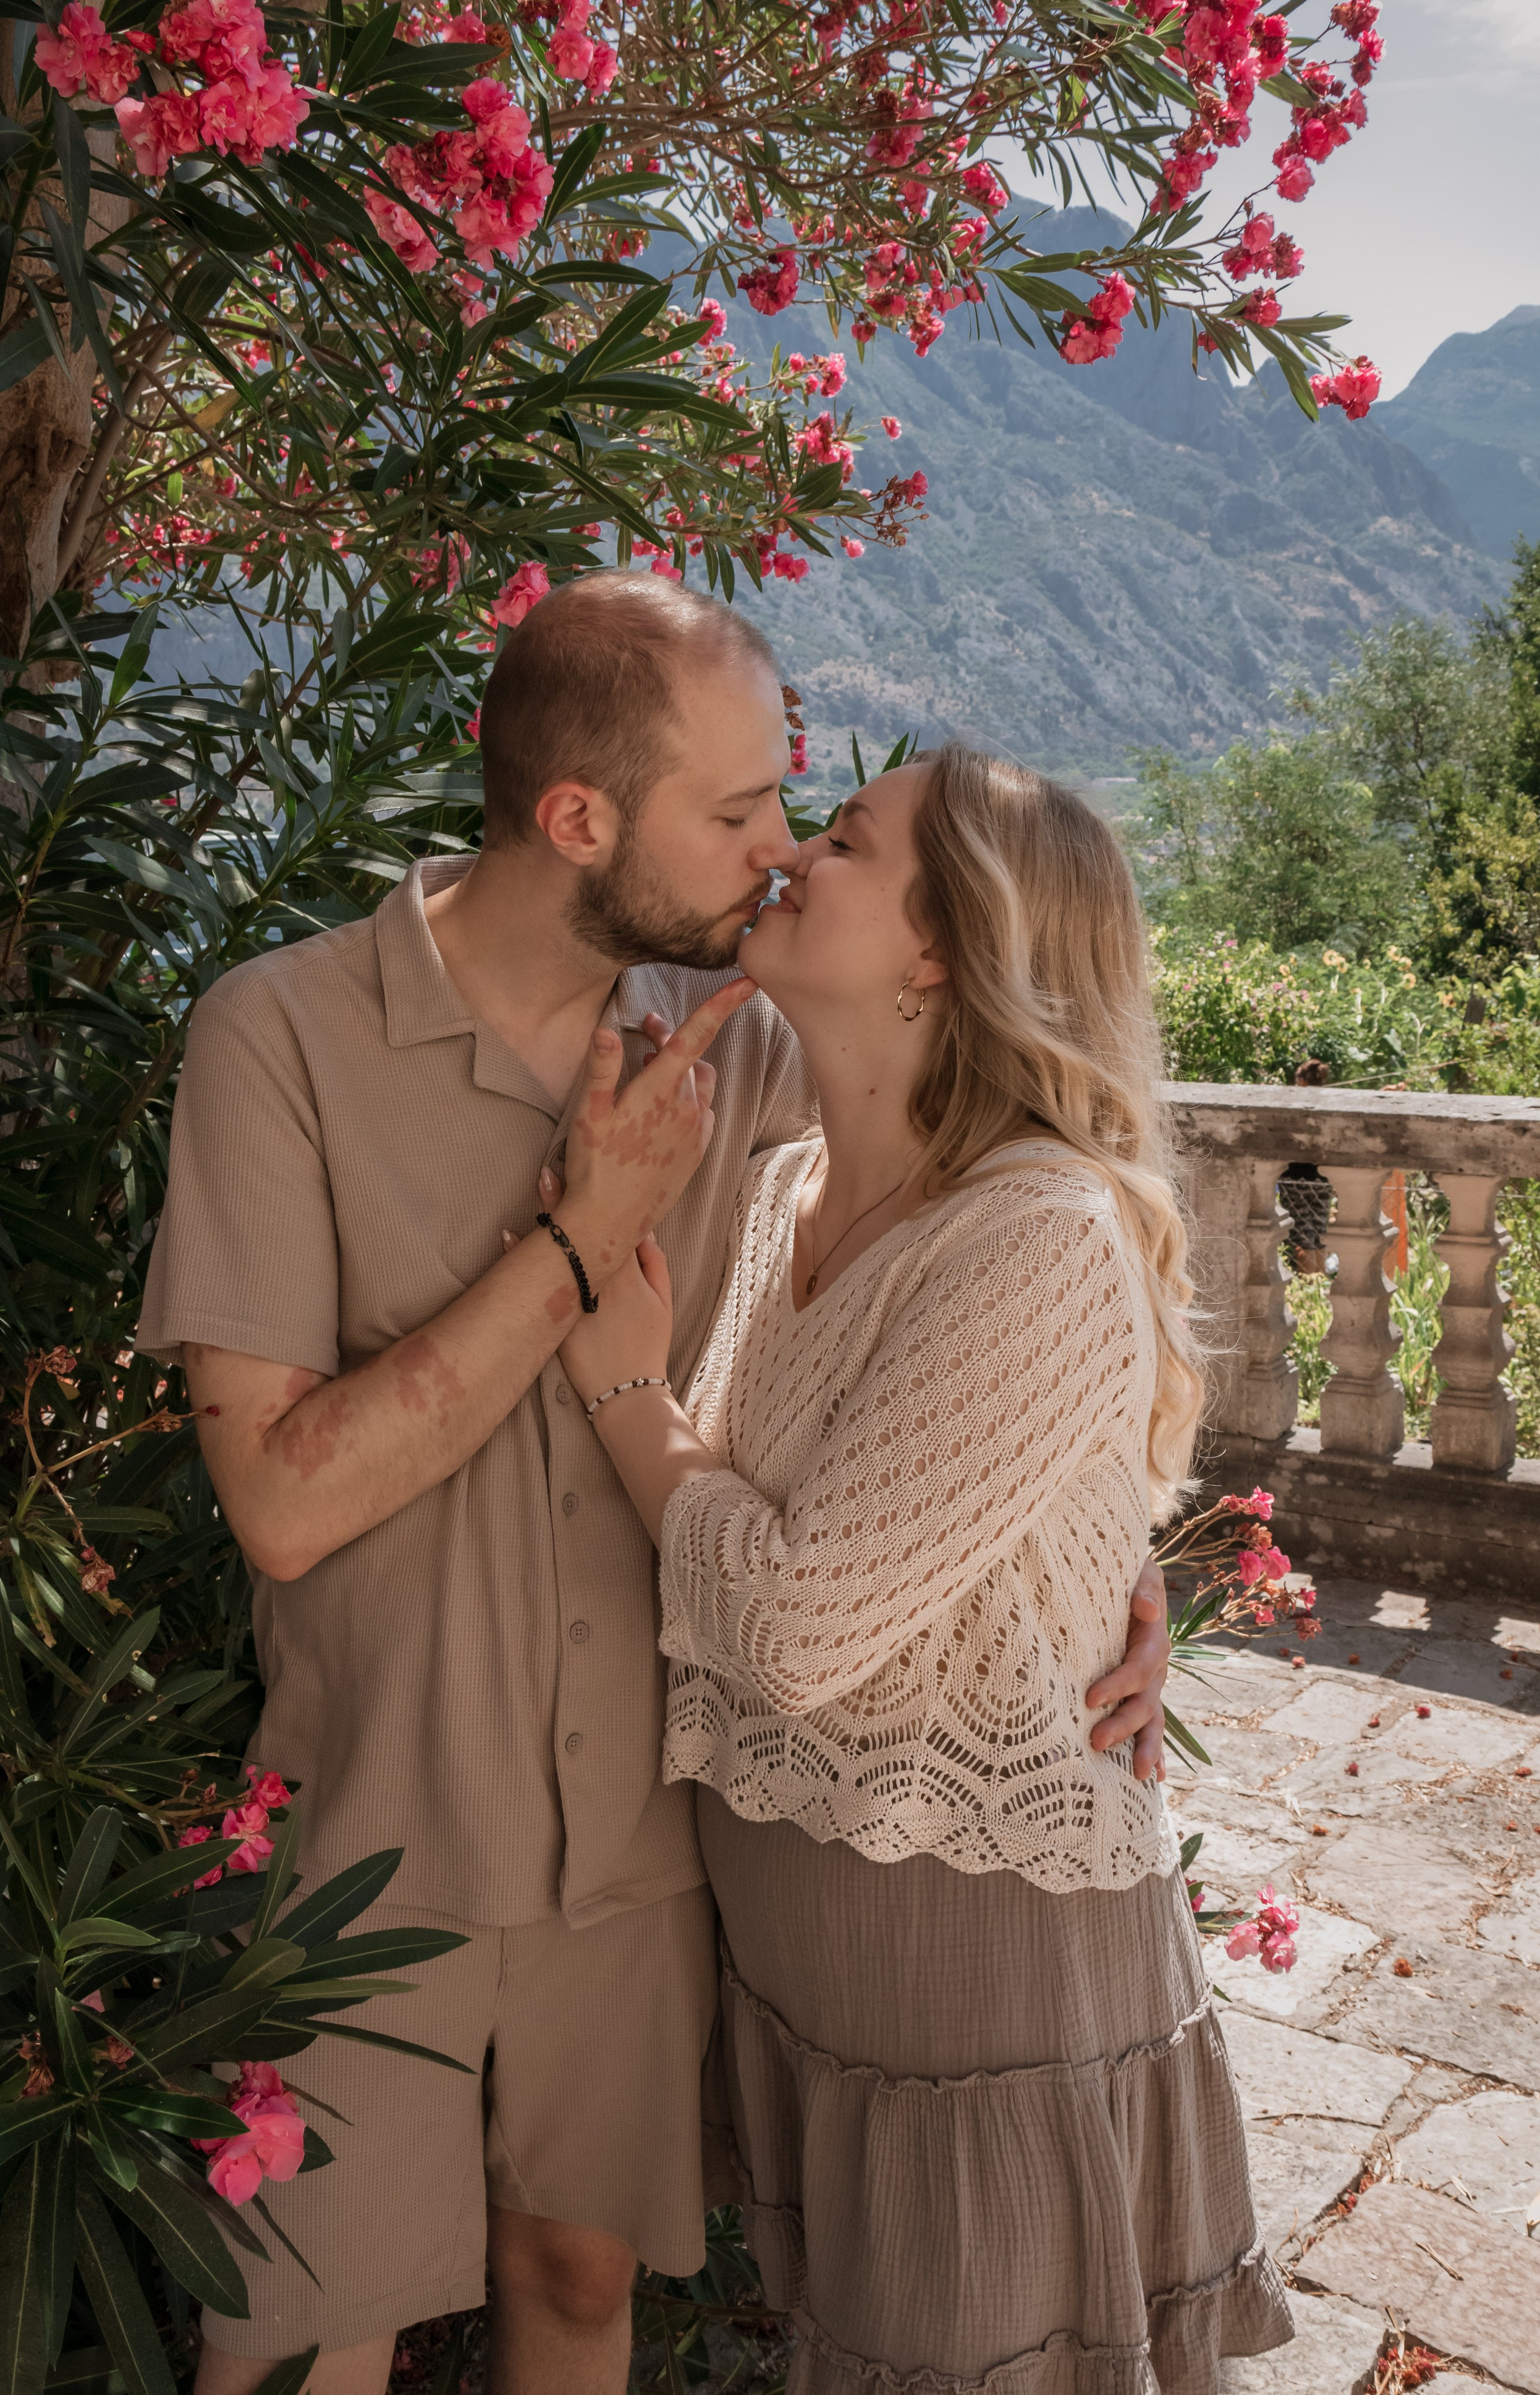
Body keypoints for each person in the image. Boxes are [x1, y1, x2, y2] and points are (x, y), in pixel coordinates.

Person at [135, 575, 1174, 2395]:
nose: (779, 850)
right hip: (373, 1810)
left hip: (647, 1825)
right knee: (304, 2329)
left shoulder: (750, 1039)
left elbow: (985, 1270)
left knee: (579, 2275)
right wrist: (574, 1245)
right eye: (741, 808)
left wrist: (1103, 1562)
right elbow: (283, 1504)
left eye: (796, 810)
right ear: (578, 820)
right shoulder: (278, 1036)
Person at [557, 744, 1292, 2393]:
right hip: (809, 1959)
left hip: (977, 1970)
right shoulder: (787, 1192)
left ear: (943, 950)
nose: (791, 857)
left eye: (843, 840)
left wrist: (626, 1394)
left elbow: (797, 1620)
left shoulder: (1040, 1231)